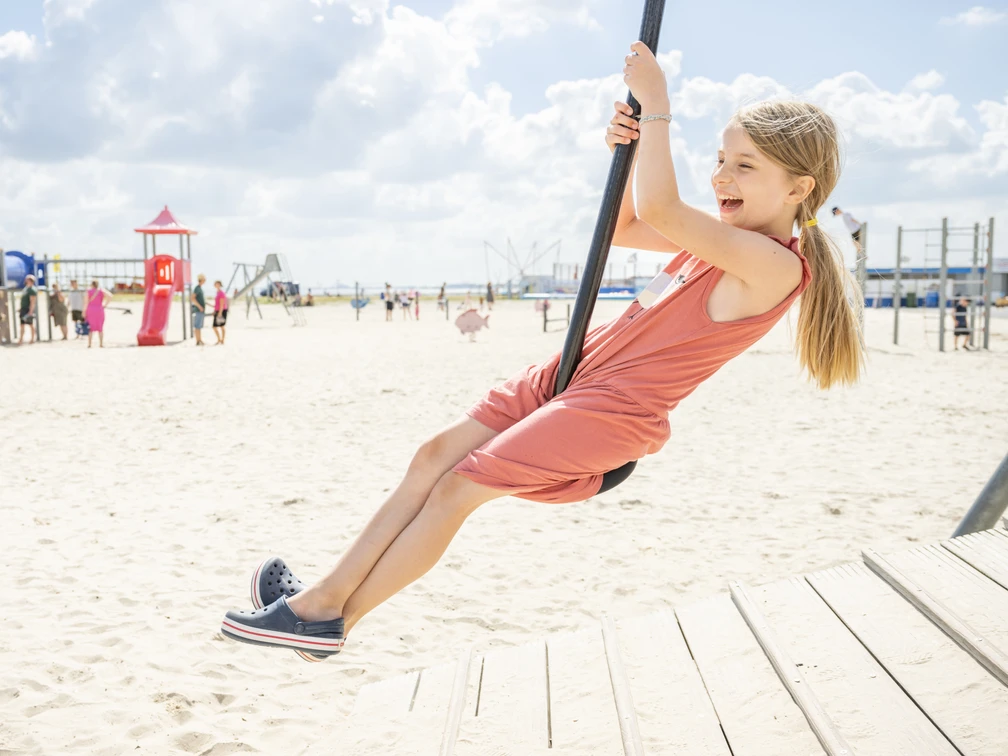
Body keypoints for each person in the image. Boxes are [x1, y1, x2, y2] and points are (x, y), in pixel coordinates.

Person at [220, 44, 865, 660]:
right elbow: (628, 224)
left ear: (799, 189)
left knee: (456, 490)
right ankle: (319, 602)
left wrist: (658, 103)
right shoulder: (720, 239)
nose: (722, 176)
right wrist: (630, 146)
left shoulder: (775, 266)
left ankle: (326, 616)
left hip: (611, 409)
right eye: (722, 158)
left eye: (745, 166)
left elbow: (662, 206)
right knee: (433, 456)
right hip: (572, 370)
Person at [84, 279, 110, 348]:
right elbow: (110, 296)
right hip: (99, 309)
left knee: (90, 328)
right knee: (100, 328)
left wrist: (84, 312)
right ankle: (101, 344)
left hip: (91, 310)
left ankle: (89, 344)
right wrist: (105, 305)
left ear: (91, 284)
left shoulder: (88, 291)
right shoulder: (101, 291)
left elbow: (86, 302)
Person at [17, 274, 38, 345]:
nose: (25, 280)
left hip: (28, 309)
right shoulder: (26, 288)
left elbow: (32, 301)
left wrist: (30, 311)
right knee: (22, 324)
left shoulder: (32, 290)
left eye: (27, 279)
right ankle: (21, 339)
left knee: (30, 324)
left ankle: (32, 339)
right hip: (23, 309)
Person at [191, 274, 207, 346]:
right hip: (198, 310)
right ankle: (198, 341)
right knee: (197, 325)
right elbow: (193, 298)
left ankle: (199, 340)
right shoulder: (197, 288)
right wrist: (199, 306)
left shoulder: (200, 288)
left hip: (201, 310)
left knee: (199, 326)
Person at [212, 280, 228, 345]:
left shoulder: (221, 293)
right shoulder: (217, 293)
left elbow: (222, 303)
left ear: (220, 285)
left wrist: (220, 313)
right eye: (216, 284)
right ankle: (219, 339)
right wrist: (214, 311)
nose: (217, 285)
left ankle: (222, 340)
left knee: (222, 326)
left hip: (222, 311)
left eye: (218, 284)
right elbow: (216, 304)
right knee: (214, 326)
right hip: (217, 310)